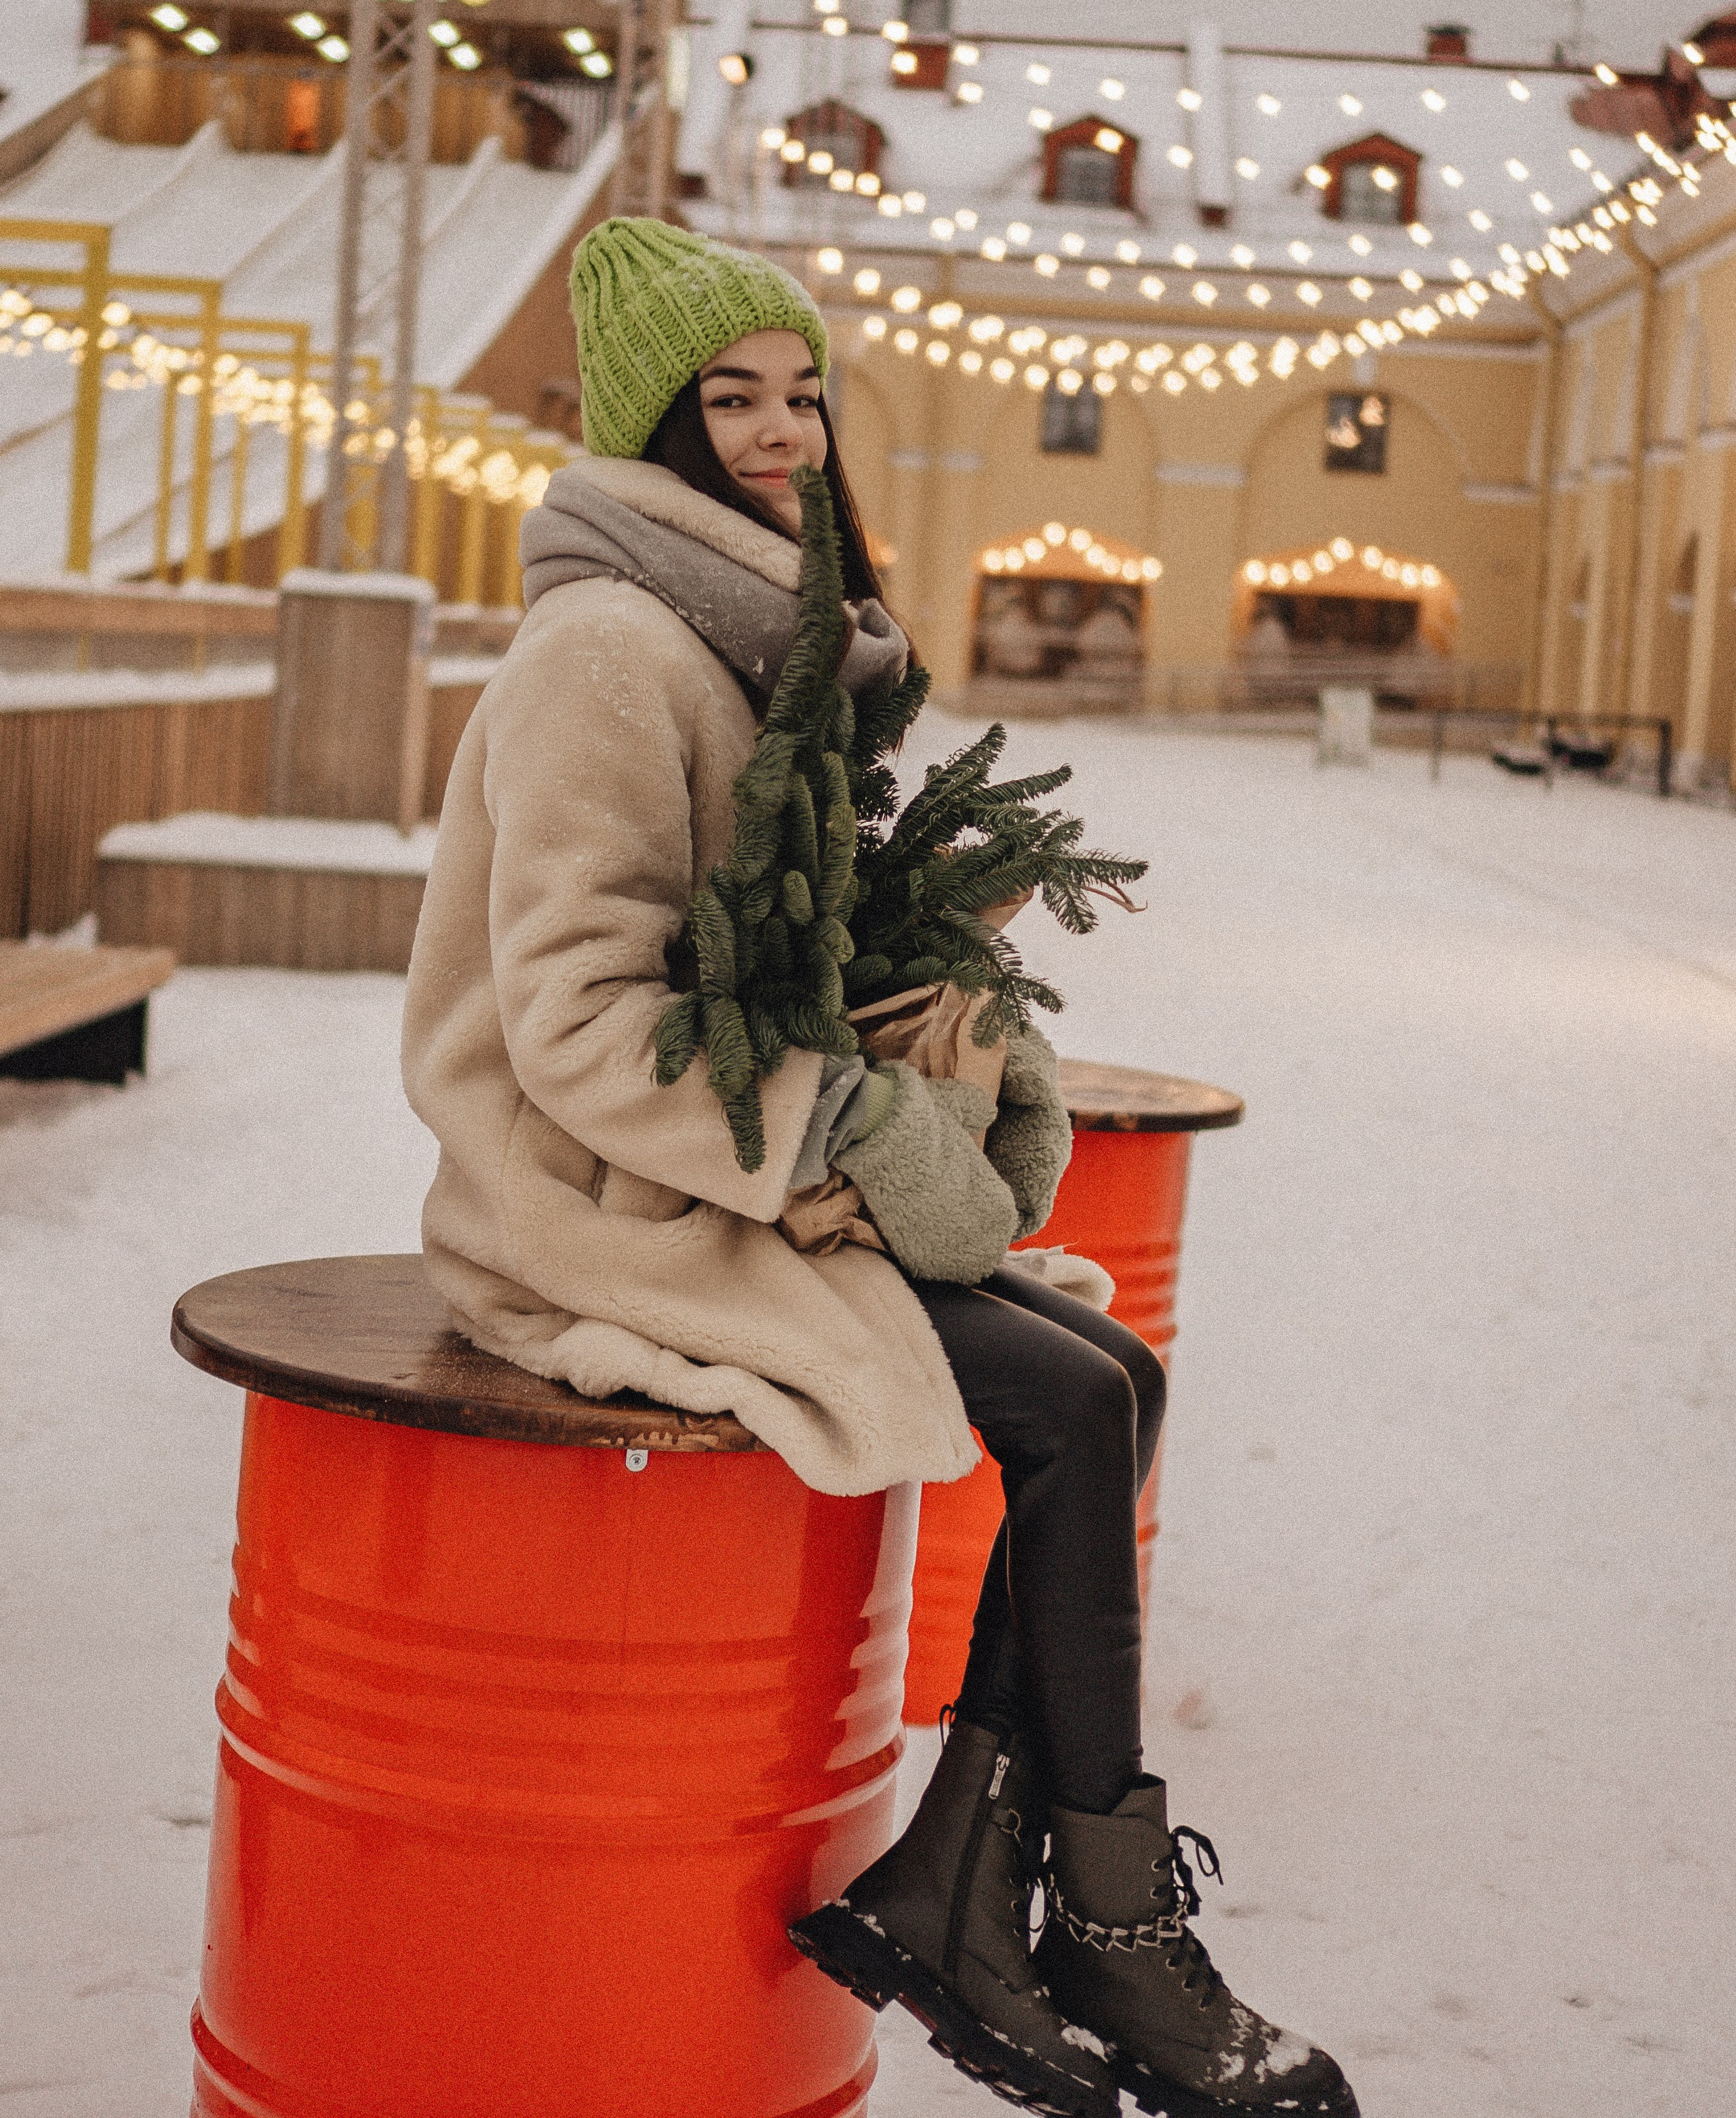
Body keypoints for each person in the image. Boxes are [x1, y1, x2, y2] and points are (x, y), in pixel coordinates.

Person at [402, 218, 1357, 2118]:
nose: (779, 432)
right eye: (729, 398)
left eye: (801, 391)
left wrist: (948, 1025)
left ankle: (968, 1891)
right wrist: (841, 1128)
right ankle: (1105, 1936)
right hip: (602, 1202)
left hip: (716, 1169)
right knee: (1075, 1411)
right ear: (650, 424)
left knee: (1119, 1379)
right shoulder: (611, 650)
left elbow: (773, 956)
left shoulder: (760, 638)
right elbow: (586, 1027)